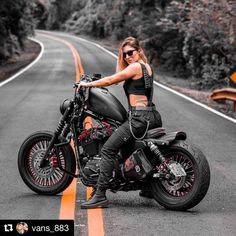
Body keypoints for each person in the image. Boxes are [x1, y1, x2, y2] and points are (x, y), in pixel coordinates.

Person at [79, 36, 162, 209]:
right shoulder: (146, 67)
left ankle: (100, 195)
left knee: (109, 149)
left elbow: (112, 80)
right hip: (152, 115)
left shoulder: (135, 67)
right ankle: (147, 187)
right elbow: (121, 74)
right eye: (124, 55)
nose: (127, 57)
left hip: (139, 118)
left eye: (130, 52)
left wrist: (88, 85)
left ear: (139, 51)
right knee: (132, 148)